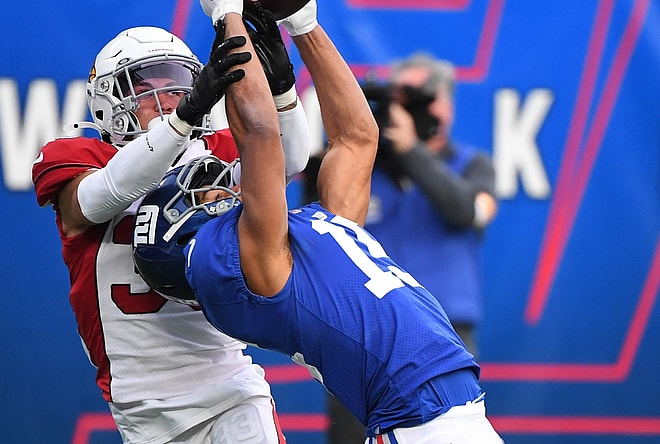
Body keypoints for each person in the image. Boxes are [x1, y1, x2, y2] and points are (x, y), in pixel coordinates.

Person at [133, 2, 504, 442]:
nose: (219, 192)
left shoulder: (303, 243)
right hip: (417, 419)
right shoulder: (248, 264)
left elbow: (356, 138)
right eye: (202, 195)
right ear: (183, 235)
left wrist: (304, 24)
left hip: (449, 404)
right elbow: (259, 136)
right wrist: (227, 14)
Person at [32, 22, 310, 443]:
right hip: (143, 399)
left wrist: (284, 89)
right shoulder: (80, 156)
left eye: (179, 88)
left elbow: (289, 161)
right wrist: (185, 116)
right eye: (147, 89)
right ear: (108, 99)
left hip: (230, 378)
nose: (166, 101)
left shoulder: (213, 151)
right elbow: (97, 198)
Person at [322, 55, 500, 443]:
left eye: (418, 98)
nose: (404, 109)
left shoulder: (473, 165)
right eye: (398, 99)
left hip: (445, 335)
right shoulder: (365, 166)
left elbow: (464, 212)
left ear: (445, 105)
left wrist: (411, 149)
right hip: (364, 336)